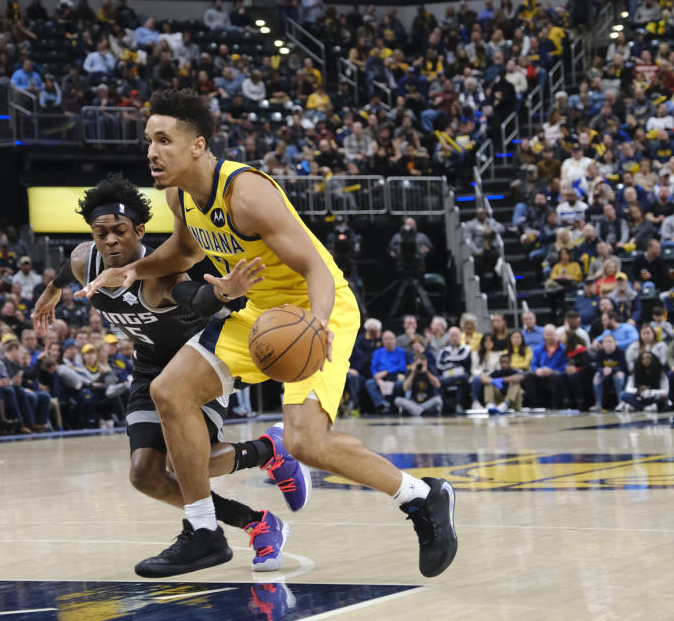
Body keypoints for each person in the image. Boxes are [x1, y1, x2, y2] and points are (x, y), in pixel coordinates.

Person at [79, 89, 456, 578]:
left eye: (163, 139)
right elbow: (184, 250)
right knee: (169, 390)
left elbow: (315, 266)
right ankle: (204, 532)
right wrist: (136, 271)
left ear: (198, 145)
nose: (151, 151)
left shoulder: (248, 193)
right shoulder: (180, 195)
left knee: (306, 443)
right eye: (148, 140)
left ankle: (422, 496)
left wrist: (317, 322)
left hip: (315, 310)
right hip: (259, 313)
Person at [33, 175, 302, 571]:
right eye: (101, 232)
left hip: (193, 366)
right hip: (148, 367)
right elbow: (66, 269)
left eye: (120, 232)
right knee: (145, 475)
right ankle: (257, 523)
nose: (110, 241)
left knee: (188, 464)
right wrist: (52, 291)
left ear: (139, 230)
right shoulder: (82, 260)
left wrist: (223, 292)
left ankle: (269, 450)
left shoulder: (159, 274)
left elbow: (194, 297)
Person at [395, 349, 442, 417]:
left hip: (428, 402)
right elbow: (405, 388)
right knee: (398, 400)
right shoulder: (411, 371)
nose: (421, 365)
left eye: (423, 362)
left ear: (426, 362)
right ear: (415, 363)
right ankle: (422, 412)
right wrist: (413, 373)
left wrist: (427, 373)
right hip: (414, 403)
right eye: (419, 363)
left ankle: (416, 412)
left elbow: (438, 385)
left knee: (438, 399)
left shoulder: (430, 369)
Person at [591, 333, 627, 412]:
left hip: (616, 372)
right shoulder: (600, 352)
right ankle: (598, 404)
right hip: (604, 372)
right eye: (606, 342)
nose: (608, 344)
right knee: (596, 378)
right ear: (603, 344)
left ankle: (621, 403)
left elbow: (623, 366)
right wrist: (603, 370)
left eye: (610, 342)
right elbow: (597, 366)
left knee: (619, 377)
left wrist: (612, 370)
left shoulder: (620, 352)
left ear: (615, 343)